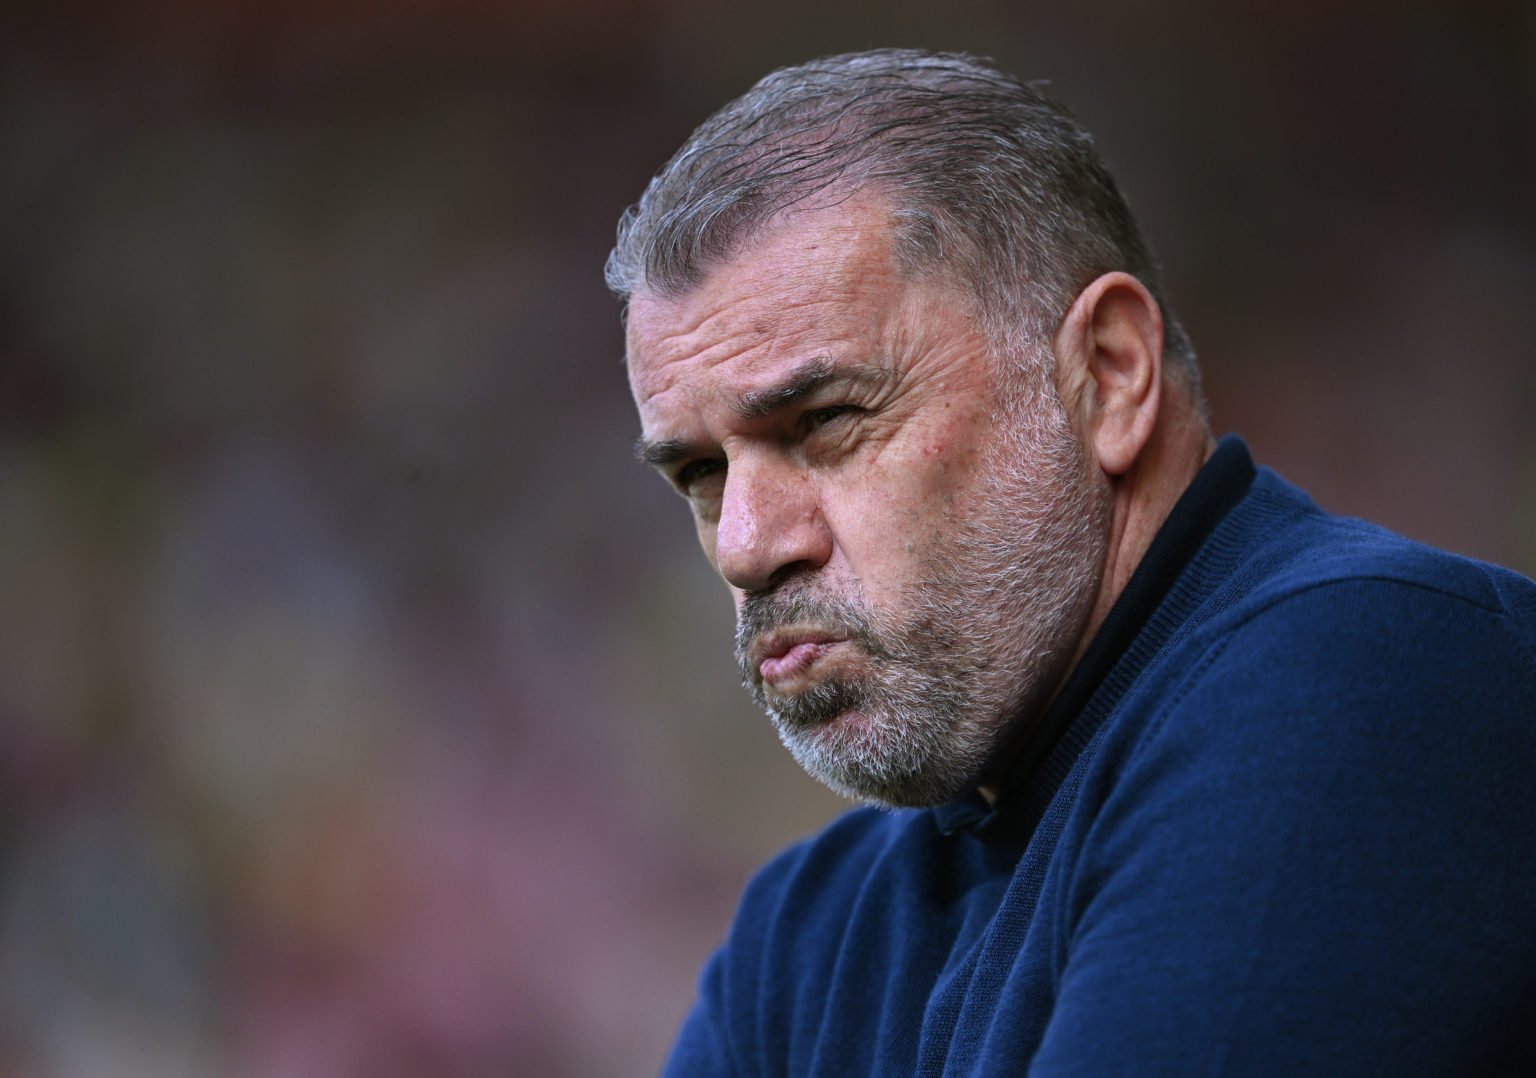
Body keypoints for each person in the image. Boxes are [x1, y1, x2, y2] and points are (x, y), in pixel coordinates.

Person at [607, 49, 1536, 1075]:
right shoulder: (803, 937)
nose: (744, 544)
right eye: (698, 471)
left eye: (826, 421)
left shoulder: (1372, 678)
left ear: (1109, 372)